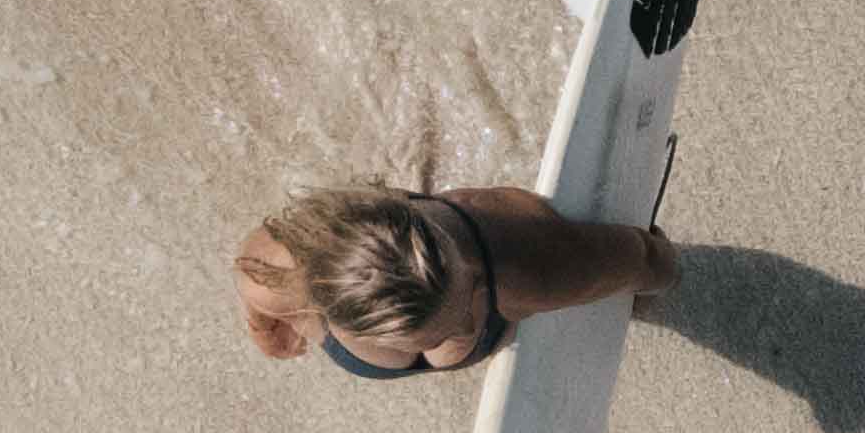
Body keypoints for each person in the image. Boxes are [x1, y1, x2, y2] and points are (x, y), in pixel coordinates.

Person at [235, 183, 677, 377]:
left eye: (467, 303)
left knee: (468, 331)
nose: (467, 327)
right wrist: (262, 327)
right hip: (348, 320)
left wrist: (650, 286)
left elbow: (650, 258)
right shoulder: (278, 271)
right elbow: (248, 281)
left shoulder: (527, 273)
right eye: (440, 333)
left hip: (497, 256)